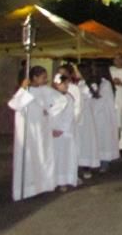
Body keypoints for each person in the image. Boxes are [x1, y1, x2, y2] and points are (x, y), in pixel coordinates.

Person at [7, 66, 67, 201]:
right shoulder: (24, 91)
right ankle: (27, 188)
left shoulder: (44, 90)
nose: (46, 80)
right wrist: (23, 89)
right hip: (27, 131)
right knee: (28, 157)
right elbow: (15, 105)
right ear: (34, 77)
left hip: (42, 129)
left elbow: (61, 100)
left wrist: (50, 111)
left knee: (43, 155)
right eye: (43, 77)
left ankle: (43, 184)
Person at [50, 72, 79, 192]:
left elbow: (69, 116)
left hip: (64, 133)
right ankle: (52, 181)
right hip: (52, 133)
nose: (67, 85)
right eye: (64, 83)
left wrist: (61, 129)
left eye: (67, 83)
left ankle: (64, 180)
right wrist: (51, 129)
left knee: (64, 157)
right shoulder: (50, 96)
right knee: (53, 157)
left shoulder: (68, 98)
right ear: (57, 84)